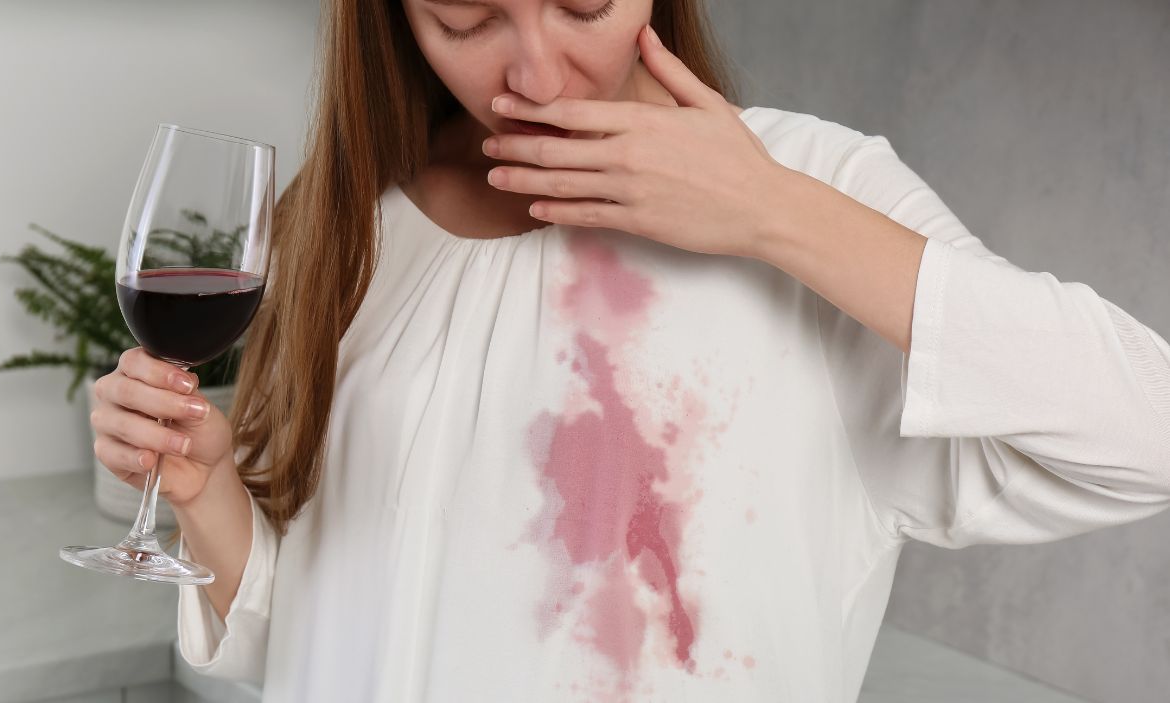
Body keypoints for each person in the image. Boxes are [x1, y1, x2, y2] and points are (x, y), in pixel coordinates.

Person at [87, 0, 1170, 700]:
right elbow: (308, 638)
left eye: (583, 5)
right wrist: (208, 490)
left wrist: (769, 212)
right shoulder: (344, 227)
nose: (539, 73)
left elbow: (1147, 431)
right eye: (467, 18)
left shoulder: (814, 185)